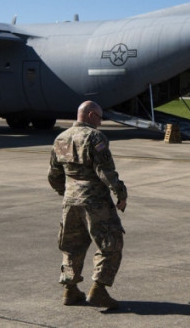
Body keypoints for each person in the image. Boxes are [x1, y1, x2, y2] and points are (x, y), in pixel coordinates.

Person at [48, 100, 128, 309]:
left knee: (72, 246)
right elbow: (105, 171)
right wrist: (120, 193)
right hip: (95, 202)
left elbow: (54, 174)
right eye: (100, 118)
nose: (100, 122)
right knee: (111, 243)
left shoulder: (61, 138)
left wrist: (66, 193)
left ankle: (70, 290)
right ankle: (99, 290)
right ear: (91, 115)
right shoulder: (95, 137)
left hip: (70, 201)